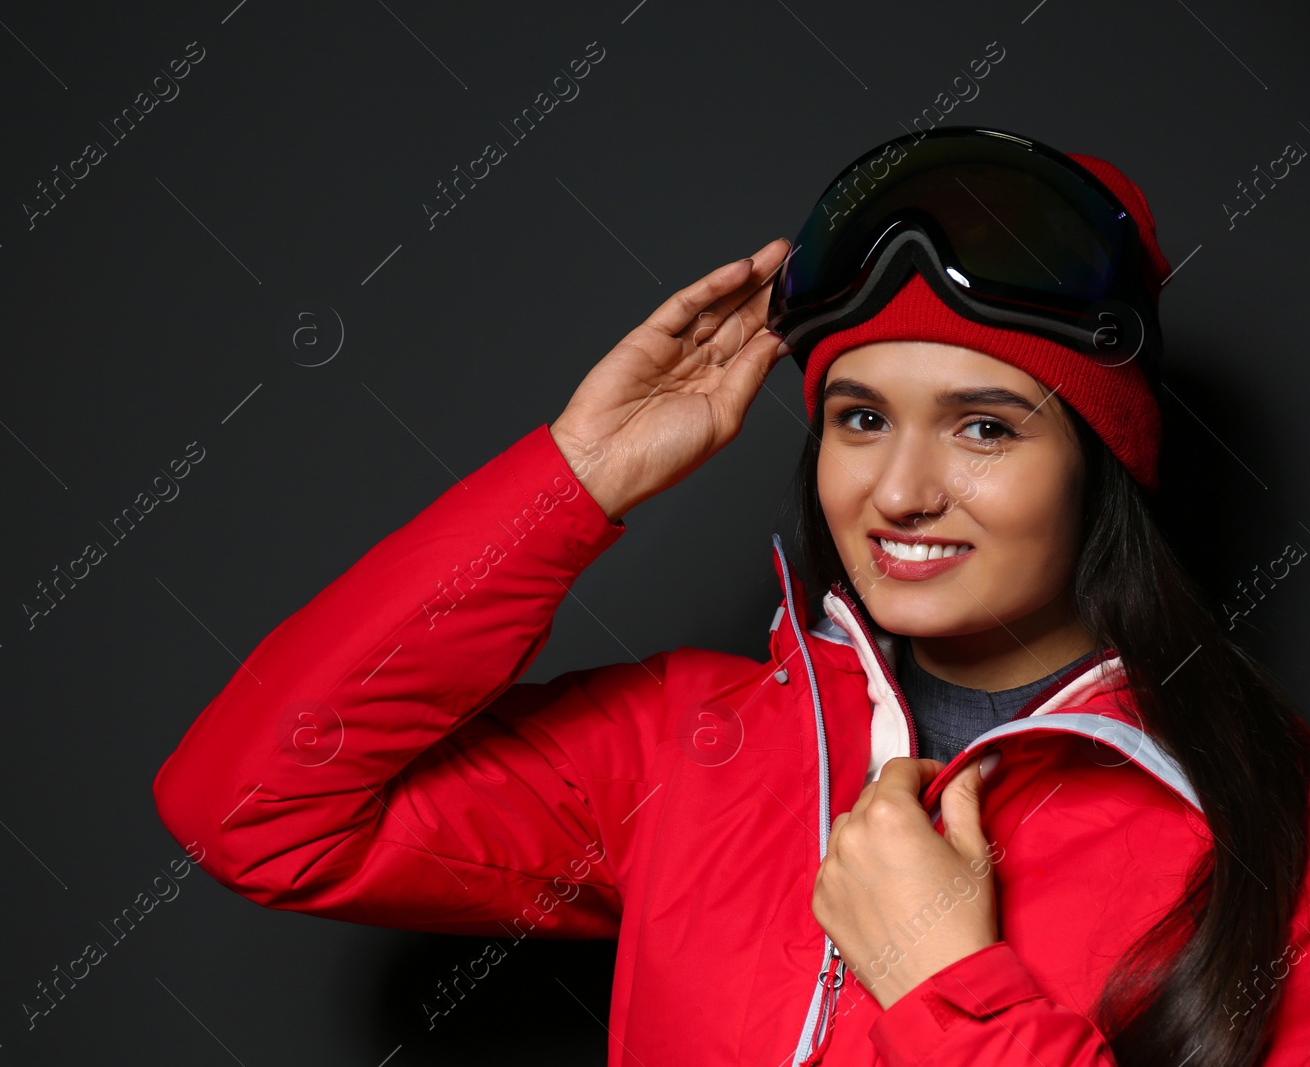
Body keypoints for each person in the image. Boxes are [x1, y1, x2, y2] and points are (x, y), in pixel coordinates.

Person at [152, 127, 1310, 1065]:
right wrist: (574, 477)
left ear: (1099, 468)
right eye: (859, 418)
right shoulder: (686, 745)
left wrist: (950, 991)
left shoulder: (1273, 828)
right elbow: (255, 810)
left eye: (984, 426)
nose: (900, 491)